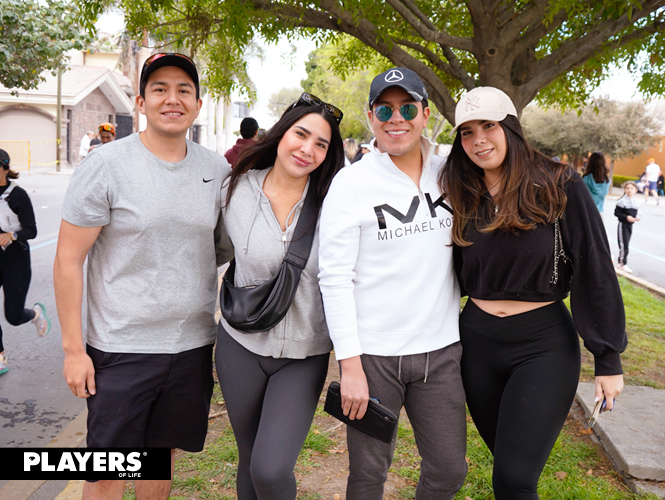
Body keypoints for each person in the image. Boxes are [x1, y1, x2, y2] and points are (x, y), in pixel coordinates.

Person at [53, 53, 231, 500]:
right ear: (141, 102)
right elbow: (68, 260)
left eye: (183, 90)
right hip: (120, 349)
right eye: (160, 89)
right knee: (107, 475)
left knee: (161, 459)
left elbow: (224, 248)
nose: (172, 99)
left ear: (198, 103)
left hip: (190, 347)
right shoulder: (106, 165)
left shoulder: (218, 170)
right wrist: (74, 350)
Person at [441, 86, 627, 500]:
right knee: (507, 465)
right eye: (467, 132)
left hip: (543, 346)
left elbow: (594, 266)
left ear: (510, 127)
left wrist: (608, 356)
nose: (479, 140)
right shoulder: (460, 193)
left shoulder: (560, 185)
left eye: (488, 126)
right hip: (476, 346)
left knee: (514, 480)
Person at [318, 67, 467, 500]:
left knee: (448, 470)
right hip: (374, 358)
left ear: (424, 114)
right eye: (385, 108)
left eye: (406, 107)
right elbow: (335, 277)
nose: (395, 118)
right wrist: (349, 366)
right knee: (367, 476)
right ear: (370, 116)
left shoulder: (451, 174)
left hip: (440, 353)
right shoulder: (351, 183)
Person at [215, 92, 344, 500]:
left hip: (304, 356)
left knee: (271, 470)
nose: (307, 149)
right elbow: (212, 252)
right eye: (300, 134)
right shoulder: (233, 190)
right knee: (249, 460)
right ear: (282, 133)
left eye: (320, 143)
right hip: (240, 345)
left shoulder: (336, 203)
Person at [0, 149, 50, 375]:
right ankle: (0, 357)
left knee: (13, 316)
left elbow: (32, 230)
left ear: (5, 168)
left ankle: (35, 314)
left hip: (15, 261)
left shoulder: (17, 195)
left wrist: (12, 235)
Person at [614, 181, 641, 273]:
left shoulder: (635, 202)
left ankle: (621, 263)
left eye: (631, 188)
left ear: (635, 190)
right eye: (627, 188)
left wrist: (637, 217)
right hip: (623, 225)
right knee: (623, 245)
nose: (629, 190)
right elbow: (617, 213)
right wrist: (626, 217)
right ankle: (622, 263)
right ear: (625, 190)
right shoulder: (621, 201)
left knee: (626, 244)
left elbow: (637, 212)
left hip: (630, 226)